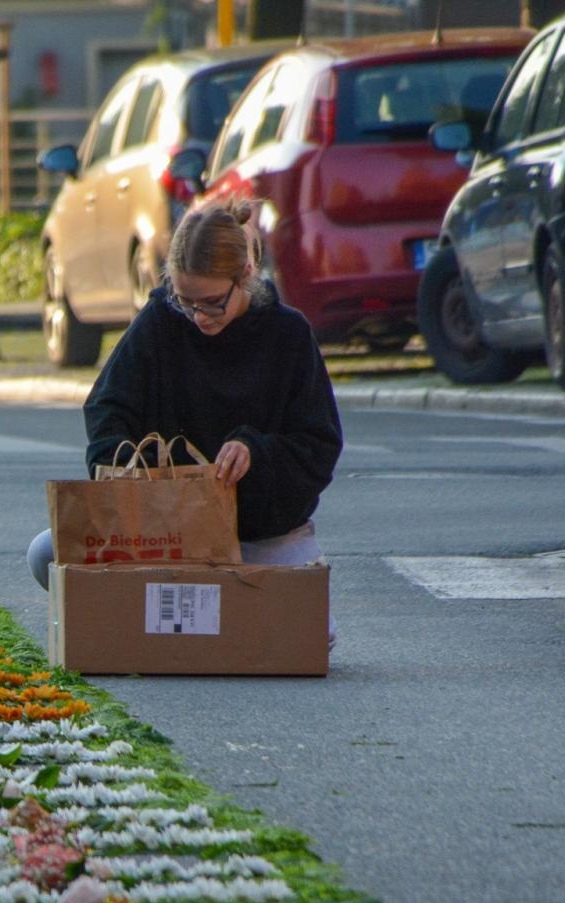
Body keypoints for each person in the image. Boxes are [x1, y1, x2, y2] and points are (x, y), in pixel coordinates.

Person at [27, 199, 344, 614]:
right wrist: (128, 473)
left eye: (212, 302)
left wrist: (255, 451)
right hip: (163, 527)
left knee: (310, 633)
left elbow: (318, 445)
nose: (199, 317)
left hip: (260, 533)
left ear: (246, 274)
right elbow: (107, 407)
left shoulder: (287, 333)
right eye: (185, 301)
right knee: (45, 554)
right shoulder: (160, 320)